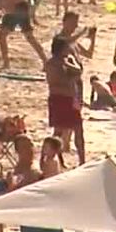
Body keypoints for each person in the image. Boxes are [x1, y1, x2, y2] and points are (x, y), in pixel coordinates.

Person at [44, 36, 85, 166]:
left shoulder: (68, 61)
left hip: (70, 99)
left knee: (78, 130)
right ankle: (54, 159)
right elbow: (55, 84)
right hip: (59, 99)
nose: (69, 49)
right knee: (58, 132)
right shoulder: (51, 64)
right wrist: (70, 79)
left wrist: (69, 64)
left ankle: (82, 161)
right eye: (67, 47)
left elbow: (79, 71)